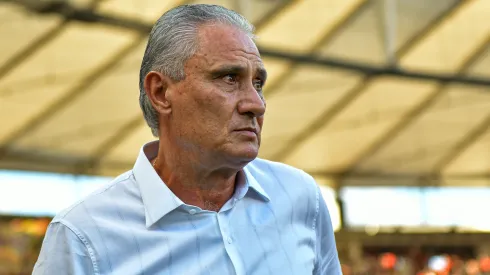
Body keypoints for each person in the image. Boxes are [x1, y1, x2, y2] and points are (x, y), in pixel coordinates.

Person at [33, 4, 341, 275]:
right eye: (229, 78)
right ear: (161, 93)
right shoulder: (83, 237)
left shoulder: (301, 199)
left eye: (257, 83)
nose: (256, 104)